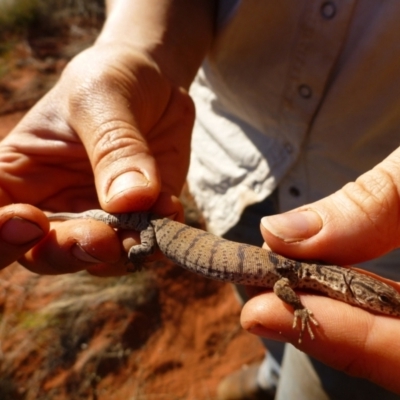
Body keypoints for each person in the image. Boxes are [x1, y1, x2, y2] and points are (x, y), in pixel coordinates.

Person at [1, 0, 400, 398]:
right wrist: (133, 49)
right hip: (233, 177)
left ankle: (279, 377)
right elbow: (282, 292)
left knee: (318, 351)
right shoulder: (292, 276)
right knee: (267, 314)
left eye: (382, 299)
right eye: (380, 297)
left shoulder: (298, 273)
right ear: (351, 287)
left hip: (368, 226)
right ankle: (275, 371)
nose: (384, 301)